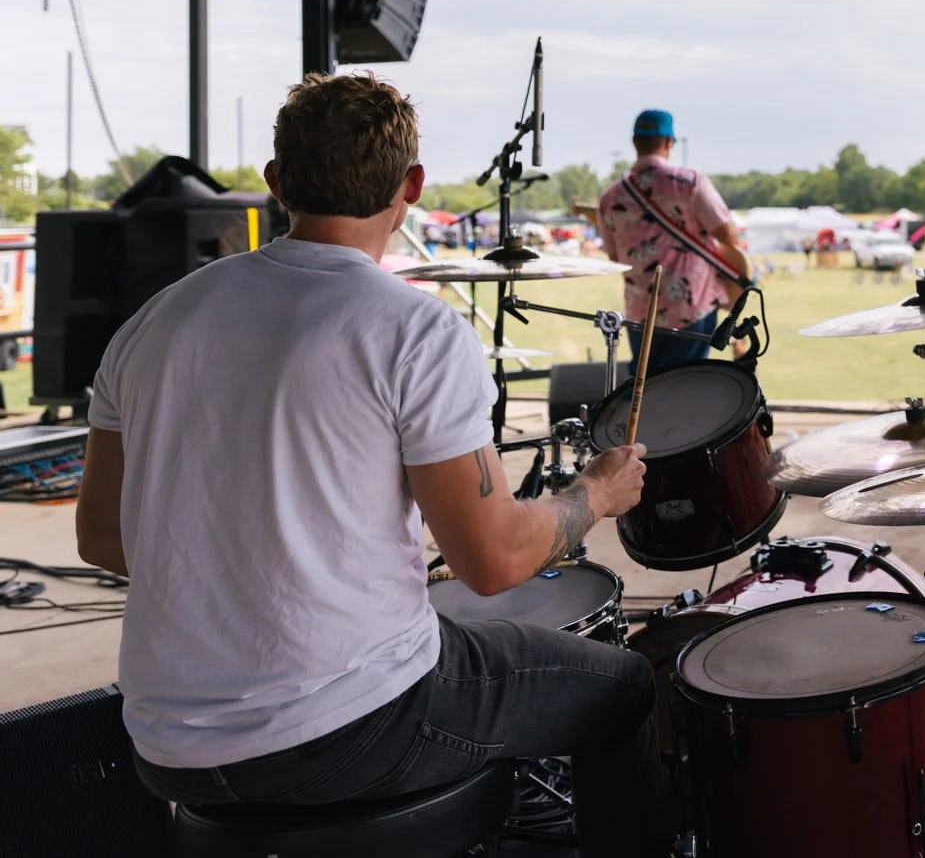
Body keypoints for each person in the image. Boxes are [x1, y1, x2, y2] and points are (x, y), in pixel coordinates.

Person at [73, 74, 669, 856]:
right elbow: (491, 561)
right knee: (624, 688)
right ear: (411, 186)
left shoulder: (152, 323)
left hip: (166, 747)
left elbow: (103, 540)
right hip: (344, 729)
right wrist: (594, 492)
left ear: (277, 184)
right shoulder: (414, 330)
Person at [599, 109, 748, 373]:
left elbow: (613, 256)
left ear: (635, 142)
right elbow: (728, 236)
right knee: (683, 387)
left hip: (640, 311)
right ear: (669, 143)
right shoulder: (689, 182)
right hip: (691, 306)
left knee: (646, 390)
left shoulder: (611, 197)